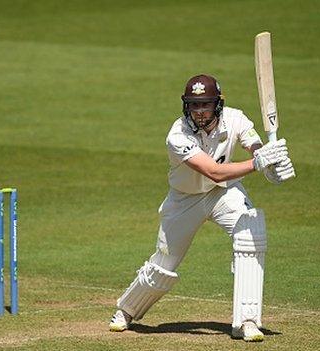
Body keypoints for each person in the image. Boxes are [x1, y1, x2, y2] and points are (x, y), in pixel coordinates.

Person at [108, 74, 295, 342]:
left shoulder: (236, 118)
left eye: (205, 105)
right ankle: (126, 310)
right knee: (164, 264)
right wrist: (258, 164)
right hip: (185, 199)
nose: (199, 111)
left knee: (251, 235)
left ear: (217, 104)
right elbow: (215, 172)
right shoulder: (177, 135)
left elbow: (255, 148)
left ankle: (247, 321)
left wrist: (269, 163)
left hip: (224, 195)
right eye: (194, 105)